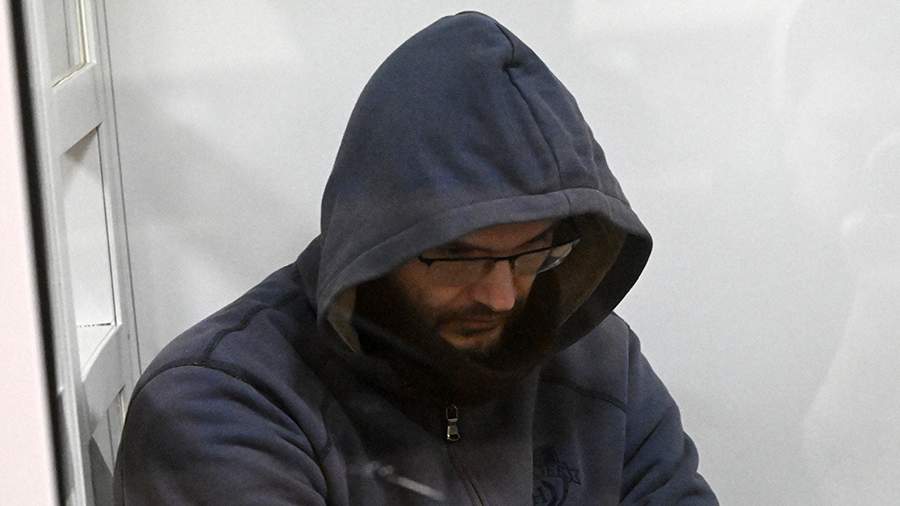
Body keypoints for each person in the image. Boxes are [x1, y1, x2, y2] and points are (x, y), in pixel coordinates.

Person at [114, 12, 717, 505]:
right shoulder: (219, 407)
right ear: (378, 243)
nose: (501, 295)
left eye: (533, 253)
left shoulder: (600, 364)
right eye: (461, 256)